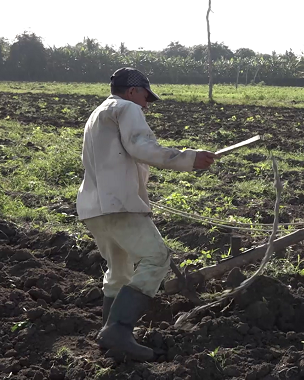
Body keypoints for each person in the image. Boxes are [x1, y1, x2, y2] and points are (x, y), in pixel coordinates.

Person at [76, 67, 219, 361]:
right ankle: (119, 328)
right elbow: (141, 147)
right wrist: (190, 158)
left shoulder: (97, 114)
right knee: (157, 257)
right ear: (131, 92)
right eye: (145, 97)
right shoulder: (126, 108)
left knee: (119, 271)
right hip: (120, 205)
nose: (145, 105)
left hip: (94, 208)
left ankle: (110, 335)